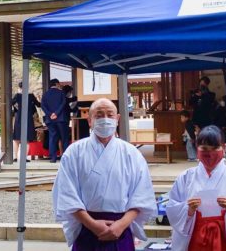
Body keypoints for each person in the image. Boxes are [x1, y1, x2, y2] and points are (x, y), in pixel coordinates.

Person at [52, 98, 156, 251]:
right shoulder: (74, 153)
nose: (105, 119)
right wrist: (92, 224)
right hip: (87, 226)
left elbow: (142, 194)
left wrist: (121, 225)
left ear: (118, 119)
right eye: (99, 115)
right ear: (90, 120)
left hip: (120, 228)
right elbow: (66, 194)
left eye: (110, 114)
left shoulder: (131, 153)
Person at [167, 126, 226, 251]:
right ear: (197, 147)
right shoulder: (185, 178)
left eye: (215, 148)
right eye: (204, 148)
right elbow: (173, 208)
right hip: (195, 235)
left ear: (224, 147)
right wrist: (187, 210)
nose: (209, 153)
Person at [41, 79, 70, 163]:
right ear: (56, 84)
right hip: (61, 119)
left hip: (50, 120)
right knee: (64, 138)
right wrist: (56, 113)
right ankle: (65, 157)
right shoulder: (61, 93)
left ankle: (53, 158)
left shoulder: (45, 94)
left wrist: (50, 114)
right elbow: (63, 103)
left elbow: (43, 105)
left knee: (52, 138)